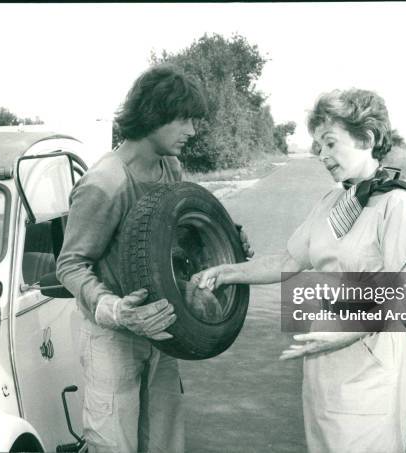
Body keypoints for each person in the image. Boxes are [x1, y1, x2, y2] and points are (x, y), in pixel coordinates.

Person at [194, 88, 406, 453]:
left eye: (330, 143)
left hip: (368, 354)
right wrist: (226, 272)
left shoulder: (398, 204)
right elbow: (287, 261)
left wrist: (348, 333)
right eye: (318, 145)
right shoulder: (331, 202)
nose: (321, 155)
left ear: (366, 138)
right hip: (324, 353)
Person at [56, 64, 251, 453]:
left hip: (163, 331)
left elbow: (171, 236)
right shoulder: (105, 183)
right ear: (154, 114)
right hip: (114, 336)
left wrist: (221, 245)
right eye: (184, 120)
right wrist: (115, 309)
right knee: (114, 444)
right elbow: (70, 264)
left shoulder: (170, 168)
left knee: (164, 443)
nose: (192, 132)